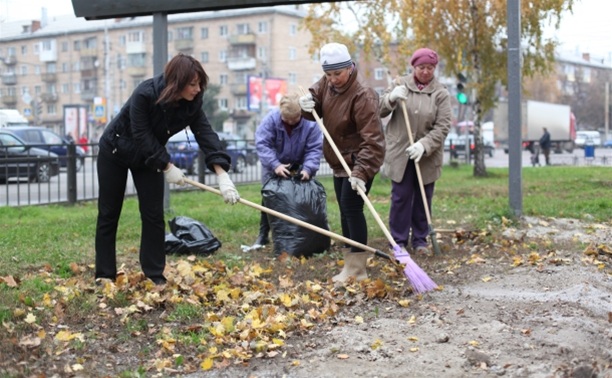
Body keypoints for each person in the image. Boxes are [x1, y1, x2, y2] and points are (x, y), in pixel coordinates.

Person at [95, 54, 240, 285]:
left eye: (200, 83)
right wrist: (168, 166)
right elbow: (141, 134)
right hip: (115, 151)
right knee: (109, 213)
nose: (198, 88)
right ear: (177, 82)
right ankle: (104, 274)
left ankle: (154, 274)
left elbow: (205, 134)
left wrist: (222, 175)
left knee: (153, 214)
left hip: (148, 159)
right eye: (192, 84)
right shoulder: (145, 94)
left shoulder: (193, 103)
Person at [299, 42, 385, 284]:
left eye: (337, 74)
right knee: (345, 212)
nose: (333, 79)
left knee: (352, 208)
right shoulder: (327, 83)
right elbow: (314, 100)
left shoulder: (363, 94)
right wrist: (307, 104)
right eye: (328, 74)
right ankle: (350, 266)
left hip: (359, 160)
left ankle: (358, 270)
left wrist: (361, 172)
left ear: (349, 67)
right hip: (339, 160)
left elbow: (374, 140)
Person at [379, 47, 451, 256]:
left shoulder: (441, 93)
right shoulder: (400, 84)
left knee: (422, 197)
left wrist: (424, 145)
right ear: (414, 67)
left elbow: (443, 126)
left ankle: (420, 240)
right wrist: (391, 98)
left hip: (426, 155)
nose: (426, 71)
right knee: (401, 197)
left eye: (430, 68)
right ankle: (398, 241)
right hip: (400, 151)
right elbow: (380, 109)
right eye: (421, 67)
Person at [251, 92, 323, 249]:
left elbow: (314, 149)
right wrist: (275, 165)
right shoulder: (270, 120)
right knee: (269, 199)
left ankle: (303, 233)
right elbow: (263, 144)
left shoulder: (311, 123)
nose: (290, 122)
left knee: (301, 199)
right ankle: (263, 235)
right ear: (280, 112)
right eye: (286, 120)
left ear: (301, 114)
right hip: (273, 165)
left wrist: (308, 169)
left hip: (300, 166)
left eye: (294, 120)